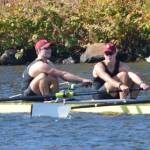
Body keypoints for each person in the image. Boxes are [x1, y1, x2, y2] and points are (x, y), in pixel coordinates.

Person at [21, 39, 92, 96]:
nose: (49, 50)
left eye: (49, 48)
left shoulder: (48, 62)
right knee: (43, 75)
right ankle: (48, 99)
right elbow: (63, 74)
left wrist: (79, 83)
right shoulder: (39, 65)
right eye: (46, 48)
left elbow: (61, 75)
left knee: (54, 76)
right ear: (38, 51)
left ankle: (54, 98)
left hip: (38, 91)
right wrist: (82, 80)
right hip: (28, 94)